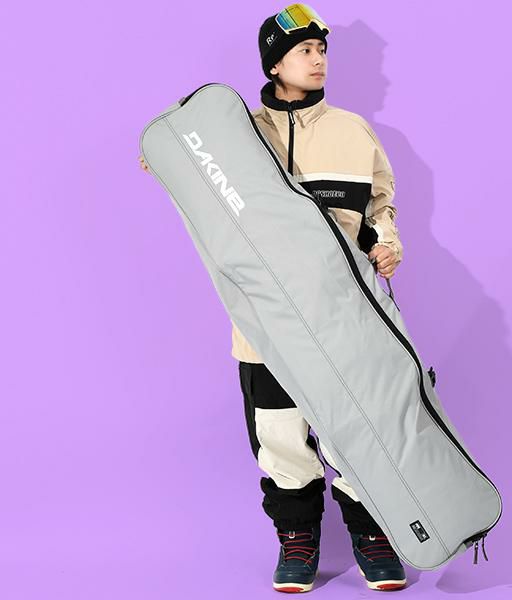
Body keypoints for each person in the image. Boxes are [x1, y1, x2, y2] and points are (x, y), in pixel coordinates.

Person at [140, 3, 406, 593]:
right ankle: (297, 539)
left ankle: (372, 535)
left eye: (322, 50)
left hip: (346, 314)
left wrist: (388, 245)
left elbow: (380, 207)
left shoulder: (352, 130)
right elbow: (193, 172)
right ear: (274, 63)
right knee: (280, 434)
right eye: (304, 51)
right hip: (265, 318)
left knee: (359, 428)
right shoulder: (236, 135)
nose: (318, 60)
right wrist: (164, 159)